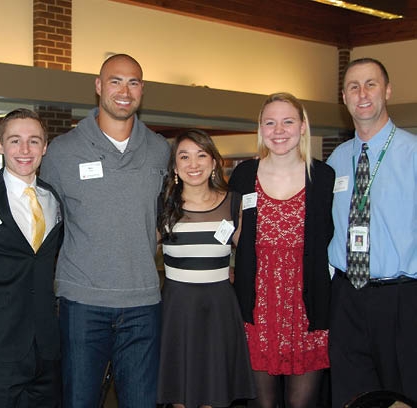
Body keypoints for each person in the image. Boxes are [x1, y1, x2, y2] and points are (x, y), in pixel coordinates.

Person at [39, 54, 170, 407]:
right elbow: (37, 215)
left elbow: (165, 213)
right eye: (115, 81)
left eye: (133, 82)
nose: (124, 91)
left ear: (142, 89)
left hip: (143, 304)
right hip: (82, 304)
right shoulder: (63, 152)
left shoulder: (160, 150)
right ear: (98, 86)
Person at [229, 92, 335, 408]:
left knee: (302, 403)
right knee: (262, 403)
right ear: (261, 128)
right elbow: (232, 233)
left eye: (288, 121)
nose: (279, 130)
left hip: (306, 303)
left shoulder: (324, 177)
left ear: (303, 127)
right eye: (270, 122)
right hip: (257, 304)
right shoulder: (244, 175)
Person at [327, 57, 417, 407]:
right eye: (353, 86)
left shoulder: (413, 154)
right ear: (345, 99)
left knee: (403, 395)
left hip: (401, 298)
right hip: (346, 295)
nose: (362, 94)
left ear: (388, 91)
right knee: (352, 396)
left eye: (371, 84)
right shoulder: (337, 159)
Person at [0, 108, 63, 407]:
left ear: (44, 147)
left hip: (46, 347)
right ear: (0, 145)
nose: (24, 150)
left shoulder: (54, 199)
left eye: (34, 141)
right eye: (15, 140)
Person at [157, 129, 255, 408]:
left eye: (202, 155)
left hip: (219, 308)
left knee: (214, 392)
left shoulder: (233, 203)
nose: (193, 164)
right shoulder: (162, 205)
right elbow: (137, 253)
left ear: (214, 162)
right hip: (177, 309)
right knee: (180, 395)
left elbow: (251, 255)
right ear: (175, 166)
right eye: (184, 156)